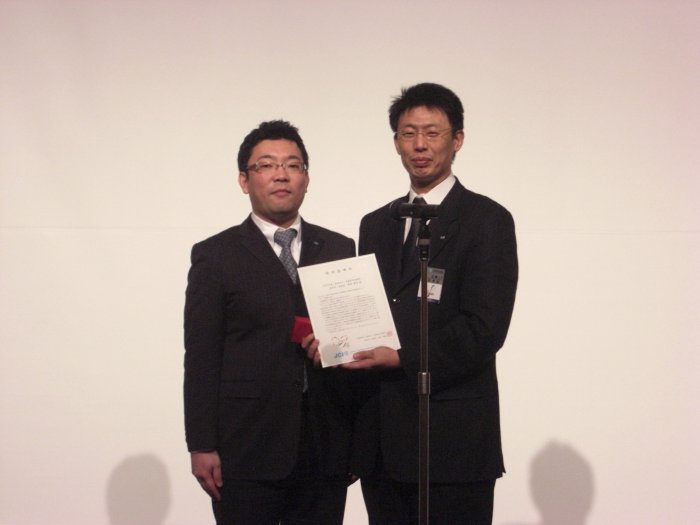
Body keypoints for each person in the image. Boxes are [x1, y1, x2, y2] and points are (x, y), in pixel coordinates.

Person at [347, 83, 518, 524]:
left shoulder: (487, 220)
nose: (419, 145)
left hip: (454, 439)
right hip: (383, 443)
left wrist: (402, 358)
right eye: (408, 134)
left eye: (432, 132)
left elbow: (484, 328)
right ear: (396, 143)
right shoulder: (376, 223)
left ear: (457, 139)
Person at [183, 120, 356, 524]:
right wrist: (201, 444)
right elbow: (202, 356)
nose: (281, 174)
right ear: (244, 180)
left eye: (293, 165)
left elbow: (357, 342)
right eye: (266, 165)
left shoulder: (339, 248)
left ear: (306, 178)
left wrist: (357, 442)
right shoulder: (215, 255)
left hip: (326, 444)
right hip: (246, 445)